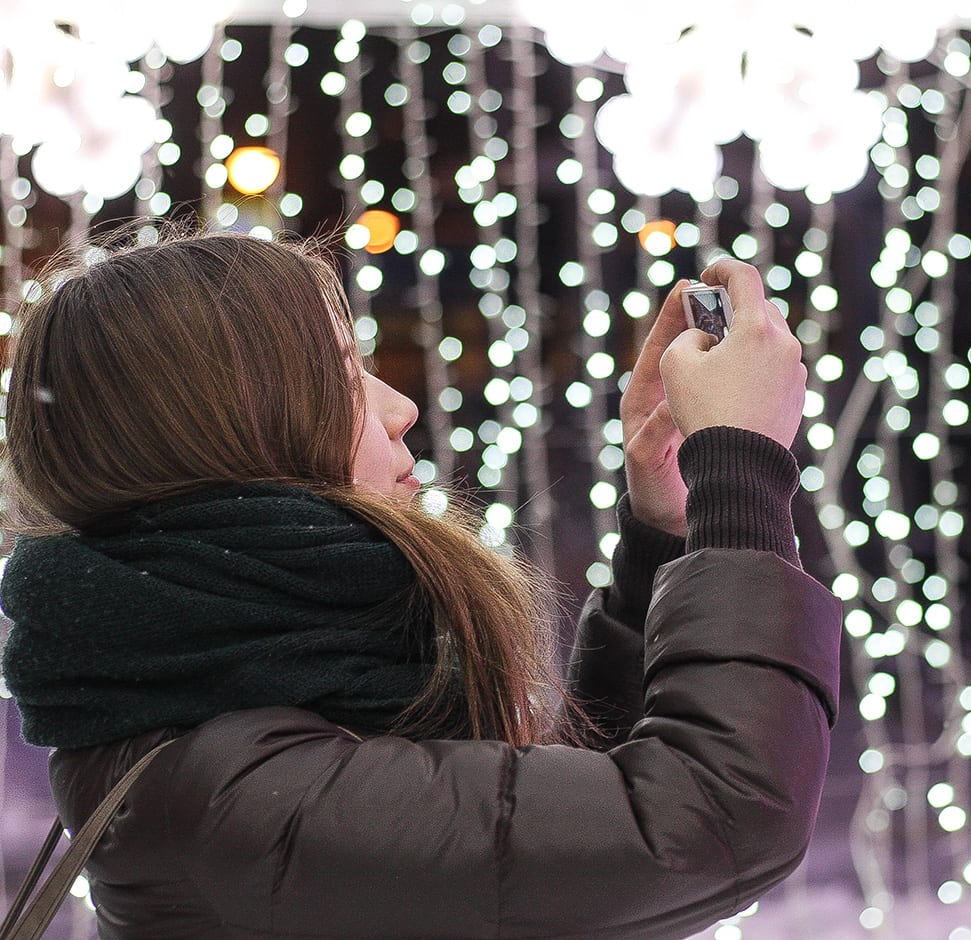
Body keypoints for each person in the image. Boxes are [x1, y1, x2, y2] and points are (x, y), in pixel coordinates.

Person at [0, 232, 841, 939]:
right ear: (242, 430)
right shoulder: (233, 794)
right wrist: (740, 464)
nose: (398, 406)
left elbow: (529, 850)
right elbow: (706, 822)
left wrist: (671, 528)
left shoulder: (238, 697)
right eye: (340, 372)